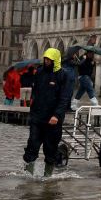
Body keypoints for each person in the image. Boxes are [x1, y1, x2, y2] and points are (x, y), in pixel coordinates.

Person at [22, 48, 71, 178]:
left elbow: (64, 98)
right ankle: (28, 176)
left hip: (53, 120)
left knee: (50, 149)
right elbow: (35, 92)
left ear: (55, 60)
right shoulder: (39, 72)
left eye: (49, 59)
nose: (46, 61)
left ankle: (47, 176)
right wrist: (32, 111)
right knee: (32, 144)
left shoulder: (63, 75)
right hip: (37, 117)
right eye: (45, 59)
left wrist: (56, 115)